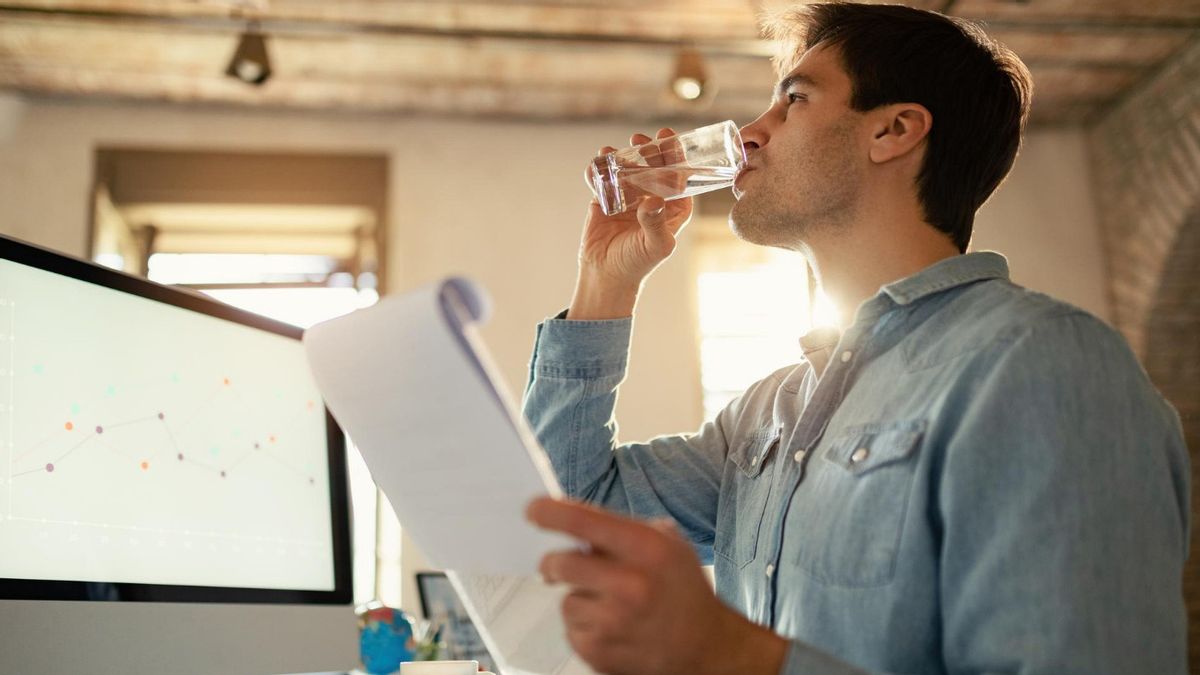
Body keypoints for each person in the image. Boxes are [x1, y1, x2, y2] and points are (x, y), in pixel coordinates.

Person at [521, 3, 1190, 674]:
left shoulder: (1048, 368)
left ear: (894, 131)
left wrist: (733, 653)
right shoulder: (767, 414)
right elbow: (561, 520)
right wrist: (605, 282)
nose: (749, 134)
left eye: (792, 102)